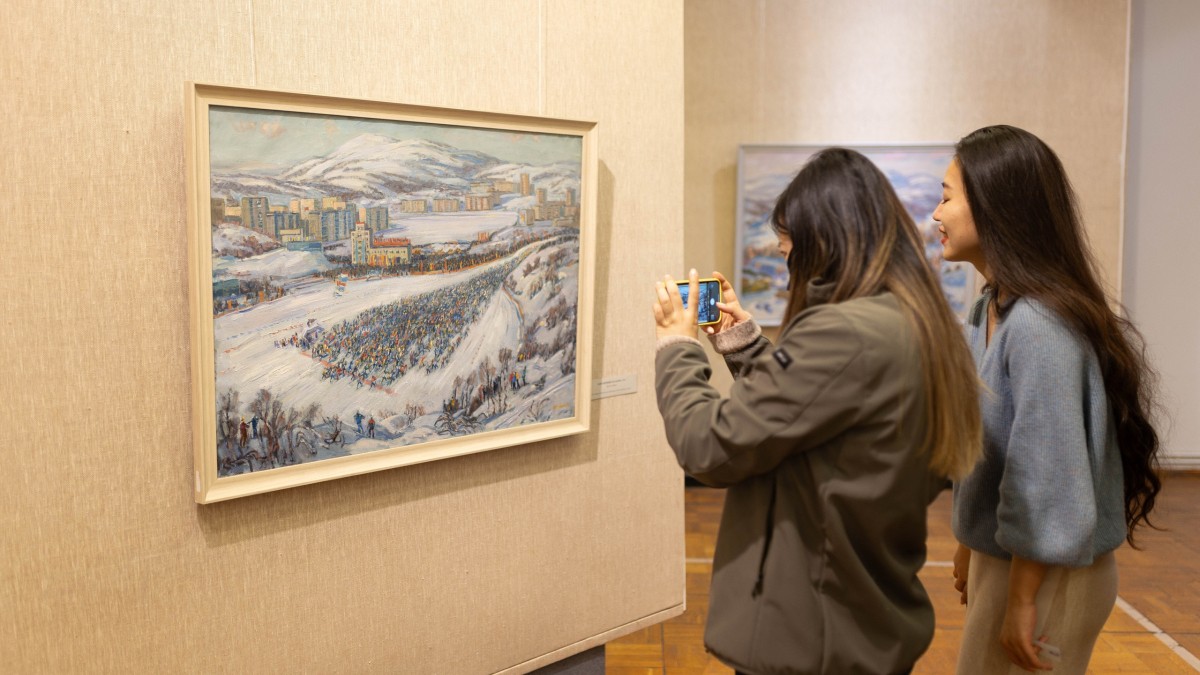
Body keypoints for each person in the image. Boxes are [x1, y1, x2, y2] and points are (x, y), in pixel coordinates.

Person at [653, 148, 983, 674]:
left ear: (821, 246)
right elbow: (810, 408)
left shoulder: (845, 332)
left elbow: (708, 445)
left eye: (789, 254)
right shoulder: (908, 318)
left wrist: (677, 347)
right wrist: (743, 344)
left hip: (814, 634)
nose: (788, 276)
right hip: (856, 619)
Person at [935, 125, 1162, 673]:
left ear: (993, 208)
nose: (935, 215)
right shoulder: (988, 308)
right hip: (1012, 560)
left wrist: (1021, 600)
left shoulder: (1038, 327)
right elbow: (994, 454)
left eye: (946, 198)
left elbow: (1047, 479)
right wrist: (970, 541)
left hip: (1043, 577)